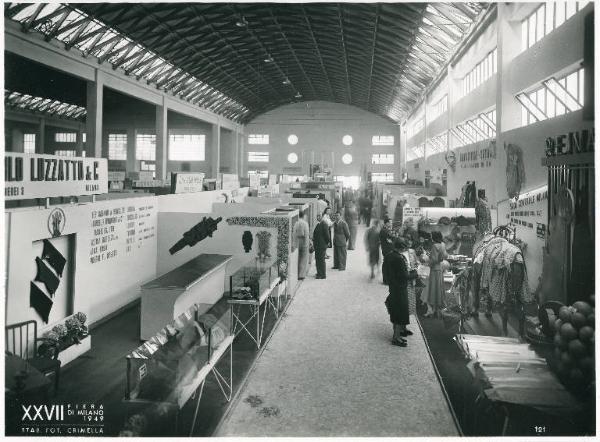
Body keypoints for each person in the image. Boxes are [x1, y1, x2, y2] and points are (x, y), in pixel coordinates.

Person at [384, 238, 415, 347]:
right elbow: (405, 276)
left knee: (397, 310)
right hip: (400, 288)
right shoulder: (399, 259)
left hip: (393, 287)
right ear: (402, 247)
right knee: (400, 312)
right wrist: (416, 273)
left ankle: (400, 332)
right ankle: (396, 338)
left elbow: (385, 271)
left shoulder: (389, 255)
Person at [422, 231, 448, 318]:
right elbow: (445, 256)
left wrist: (426, 261)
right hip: (440, 269)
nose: (430, 237)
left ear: (434, 237)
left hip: (434, 269)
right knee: (438, 289)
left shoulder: (434, 246)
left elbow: (433, 259)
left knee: (432, 289)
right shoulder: (443, 244)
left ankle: (431, 310)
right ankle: (437, 310)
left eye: (431, 236)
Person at [312, 214, 330, 279]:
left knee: (321, 260)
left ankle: (322, 275)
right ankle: (319, 273)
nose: (318, 217)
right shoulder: (318, 224)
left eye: (319, 216)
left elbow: (327, 236)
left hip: (321, 246)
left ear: (322, 217)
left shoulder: (324, 224)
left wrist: (325, 244)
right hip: (317, 246)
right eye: (317, 216)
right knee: (318, 260)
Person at [293, 211, 310, 280]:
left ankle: (296, 274)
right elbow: (306, 234)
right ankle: (301, 275)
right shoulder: (305, 223)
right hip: (304, 243)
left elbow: (294, 233)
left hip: (297, 243)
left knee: (297, 258)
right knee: (303, 259)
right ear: (303, 216)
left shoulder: (296, 223)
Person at [380, 217, 394, 284]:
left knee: (387, 264)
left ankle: (386, 280)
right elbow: (391, 240)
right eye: (390, 222)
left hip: (387, 249)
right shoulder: (384, 231)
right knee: (386, 265)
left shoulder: (386, 230)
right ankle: (386, 280)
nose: (391, 224)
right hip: (386, 250)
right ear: (387, 223)